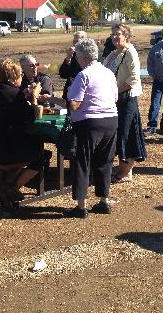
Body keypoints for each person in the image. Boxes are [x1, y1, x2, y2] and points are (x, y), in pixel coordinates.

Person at [0, 58, 43, 207]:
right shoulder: (14, 94)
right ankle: (12, 187)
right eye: (20, 76)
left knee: (26, 147)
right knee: (39, 156)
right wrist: (33, 96)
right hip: (2, 151)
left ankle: (8, 182)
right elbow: (31, 116)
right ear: (14, 77)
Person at [65, 38, 118, 218]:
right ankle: (103, 201)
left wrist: (51, 100)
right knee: (105, 161)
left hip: (90, 123)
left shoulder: (84, 74)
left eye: (77, 58)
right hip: (110, 119)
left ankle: (81, 206)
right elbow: (115, 97)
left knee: (83, 162)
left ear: (82, 57)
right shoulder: (108, 73)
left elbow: (74, 105)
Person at [104, 24, 146, 183]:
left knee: (126, 134)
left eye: (118, 34)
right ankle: (122, 168)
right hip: (115, 100)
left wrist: (115, 92)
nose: (114, 37)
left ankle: (126, 172)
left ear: (127, 36)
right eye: (112, 34)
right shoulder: (114, 53)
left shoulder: (130, 52)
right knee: (119, 133)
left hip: (126, 100)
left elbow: (134, 80)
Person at [59, 31, 87, 99]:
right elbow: (63, 74)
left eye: (77, 41)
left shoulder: (87, 57)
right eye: (74, 41)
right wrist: (68, 58)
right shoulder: (72, 55)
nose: (75, 44)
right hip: (69, 94)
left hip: (82, 94)